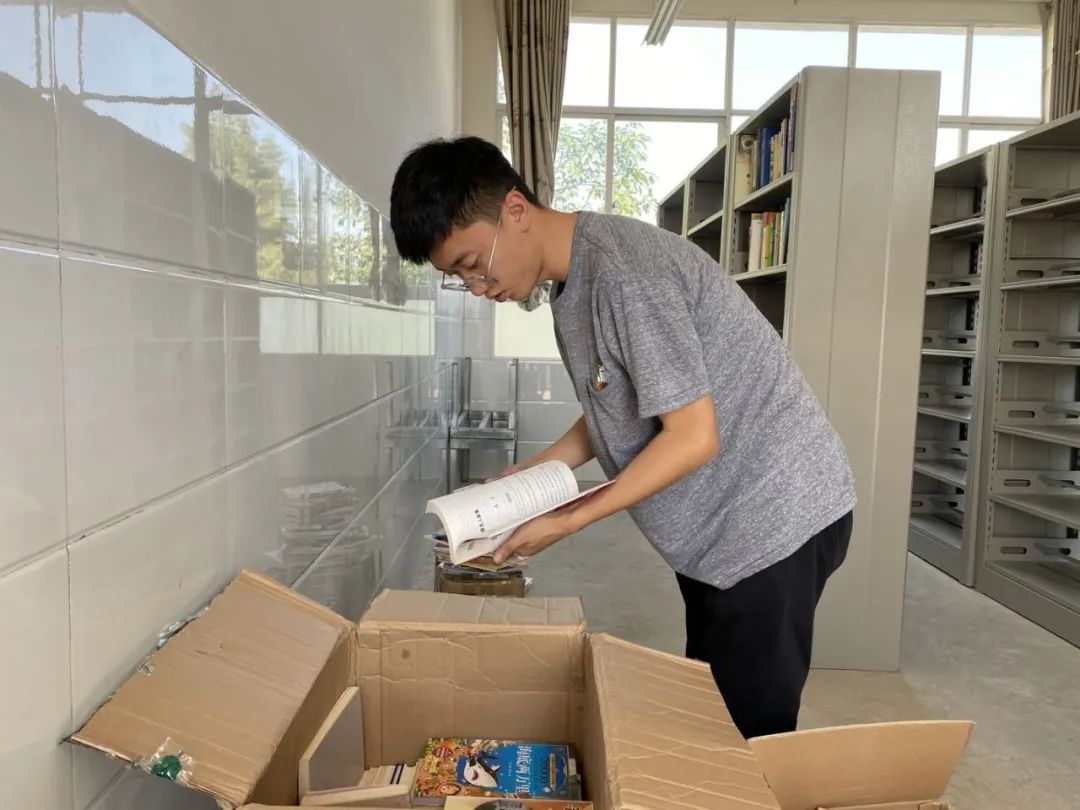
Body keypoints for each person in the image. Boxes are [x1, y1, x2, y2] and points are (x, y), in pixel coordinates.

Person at [389, 135, 855, 739]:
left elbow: (692, 437)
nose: (477, 286)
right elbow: (620, 404)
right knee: (709, 709)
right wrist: (534, 474)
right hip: (717, 527)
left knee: (745, 739)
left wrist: (568, 518)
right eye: (458, 276)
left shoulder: (626, 274)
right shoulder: (572, 284)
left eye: (473, 263)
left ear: (515, 209)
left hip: (771, 517)